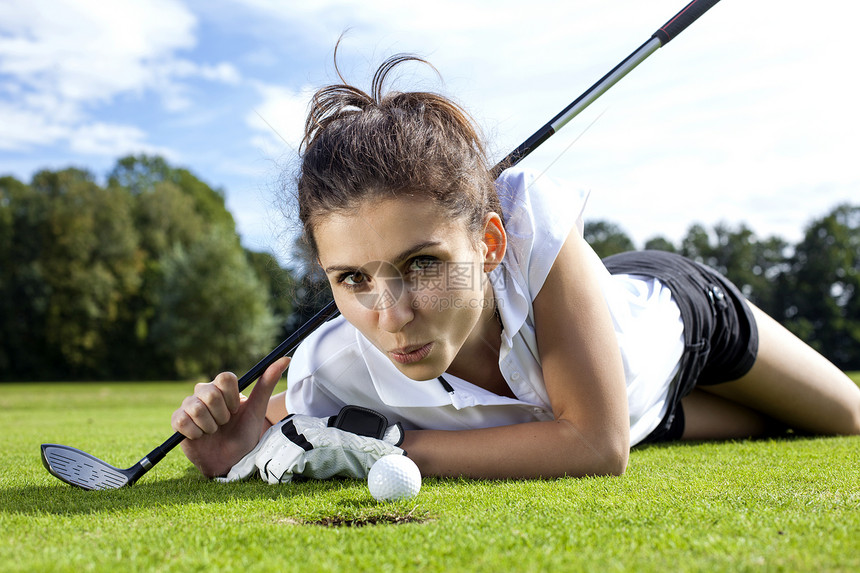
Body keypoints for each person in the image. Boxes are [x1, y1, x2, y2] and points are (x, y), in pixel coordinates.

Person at [170, 54, 860, 483]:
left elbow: (595, 443)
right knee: (774, 428)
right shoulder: (331, 366)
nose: (392, 315)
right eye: (352, 278)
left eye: (422, 263)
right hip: (643, 407)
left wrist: (394, 448)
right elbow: (302, 425)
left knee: (849, 421)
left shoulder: (537, 239)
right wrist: (244, 440)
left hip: (685, 322)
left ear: (490, 241)